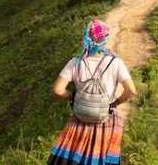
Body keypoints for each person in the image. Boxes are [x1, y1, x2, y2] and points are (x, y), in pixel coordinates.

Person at [47, 19, 137, 165]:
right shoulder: (115, 63)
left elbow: (57, 90)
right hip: (106, 119)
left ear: (86, 38)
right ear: (105, 39)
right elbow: (131, 91)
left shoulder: (75, 62)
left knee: (71, 159)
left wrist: (73, 96)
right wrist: (115, 103)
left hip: (80, 118)